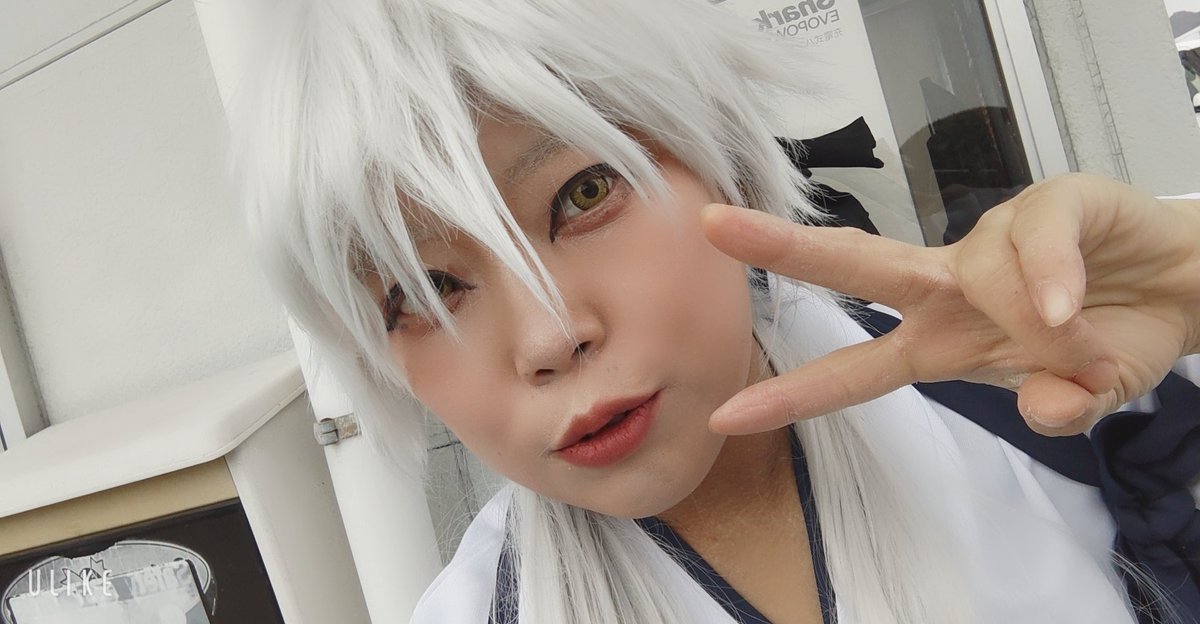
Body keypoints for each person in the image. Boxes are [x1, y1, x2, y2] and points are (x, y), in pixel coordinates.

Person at [227, 0, 1200, 622]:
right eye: (426, 290)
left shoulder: (1043, 398)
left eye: (582, 195)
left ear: (721, 160)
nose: (549, 337)